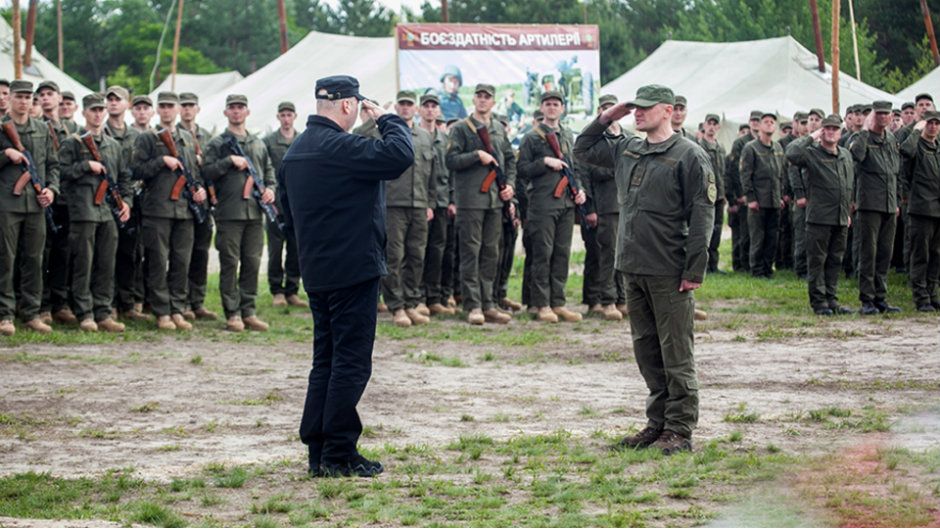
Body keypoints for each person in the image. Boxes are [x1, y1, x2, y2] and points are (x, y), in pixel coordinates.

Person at [280, 75, 413, 478]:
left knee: (326, 361)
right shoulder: (340, 146)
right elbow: (398, 156)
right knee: (351, 363)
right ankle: (338, 451)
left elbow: (287, 221)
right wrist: (388, 118)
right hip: (353, 269)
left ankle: (319, 450)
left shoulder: (296, 151)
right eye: (357, 105)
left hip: (318, 270)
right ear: (346, 106)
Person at [574, 84, 715, 455]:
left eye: (646, 108)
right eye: (635, 108)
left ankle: (680, 429)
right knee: (647, 350)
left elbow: (703, 215)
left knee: (676, 352)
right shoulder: (629, 148)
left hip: (668, 267)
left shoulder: (688, 155)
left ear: (668, 111)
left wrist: (694, 268)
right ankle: (658, 423)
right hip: (633, 265)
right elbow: (582, 149)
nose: (637, 113)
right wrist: (607, 117)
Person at [355, 91, 439, 327]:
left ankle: (412, 302)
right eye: (401, 104)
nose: (405, 108)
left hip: (419, 204)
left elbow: (431, 173)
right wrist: (377, 117)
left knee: (416, 256)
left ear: (416, 109)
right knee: (393, 256)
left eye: (409, 104)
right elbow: (361, 136)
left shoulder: (424, 136)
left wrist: (430, 203)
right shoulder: (383, 131)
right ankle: (397, 306)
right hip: (392, 204)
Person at [132, 91, 207, 331]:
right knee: (157, 261)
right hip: (158, 209)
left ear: (176, 110)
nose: (166, 110)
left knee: (181, 261)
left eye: (170, 106)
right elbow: (136, 170)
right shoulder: (147, 139)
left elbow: (193, 172)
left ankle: (177, 308)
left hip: (184, 210)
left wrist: (199, 191)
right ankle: (161, 311)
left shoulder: (186, 137)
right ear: (157, 110)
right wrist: (161, 161)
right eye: (162, 106)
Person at [58, 93, 132, 332]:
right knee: (83, 263)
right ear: (84, 113)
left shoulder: (113, 145)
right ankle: (84, 313)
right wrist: (85, 166)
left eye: (101, 110)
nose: (98, 114)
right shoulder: (73, 142)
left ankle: (103, 311)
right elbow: (61, 173)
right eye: (93, 110)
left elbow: (124, 178)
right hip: (83, 211)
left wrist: (126, 202)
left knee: (106, 264)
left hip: (108, 213)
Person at [203, 94, 276, 332]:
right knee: (229, 263)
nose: (236, 112)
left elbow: (268, 173)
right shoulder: (218, 144)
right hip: (228, 213)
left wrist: (270, 191)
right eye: (232, 108)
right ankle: (232, 313)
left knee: (252, 263)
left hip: (254, 214)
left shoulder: (257, 144)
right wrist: (227, 162)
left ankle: (249, 311)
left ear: (247, 112)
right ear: (226, 113)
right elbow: (206, 173)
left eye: (240, 108)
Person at [445, 84, 516, 325]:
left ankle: (489, 304)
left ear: (493, 102)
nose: (483, 101)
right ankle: (473, 305)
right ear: (474, 100)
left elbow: (508, 159)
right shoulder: (461, 129)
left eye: (487, 97)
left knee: (491, 252)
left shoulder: (497, 127)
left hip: (494, 200)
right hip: (470, 200)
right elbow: (451, 160)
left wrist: (511, 186)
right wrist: (476, 155)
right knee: (470, 252)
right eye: (479, 97)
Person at [516, 90, 586, 323]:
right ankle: (541, 304)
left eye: (556, 104)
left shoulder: (567, 134)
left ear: (562, 108)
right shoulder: (532, 137)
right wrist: (544, 162)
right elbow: (522, 169)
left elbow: (574, 166)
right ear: (542, 108)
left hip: (565, 203)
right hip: (542, 203)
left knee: (561, 254)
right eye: (548, 104)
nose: (552, 107)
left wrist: (580, 190)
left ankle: (558, 302)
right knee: (542, 254)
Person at [0, 80, 60, 336]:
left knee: (34, 260)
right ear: (10, 98)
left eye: (27, 97)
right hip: (7, 203)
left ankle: (31, 313)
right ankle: (5, 314)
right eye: (19, 97)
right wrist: (6, 155)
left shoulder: (42, 129)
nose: (23, 101)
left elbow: (54, 165)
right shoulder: (2, 128)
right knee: (6, 259)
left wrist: (51, 189)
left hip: (36, 204)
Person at [786, 115, 855, 315]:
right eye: (828, 128)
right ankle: (819, 302)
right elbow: (791, 153)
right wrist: (813, 135)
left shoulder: (845, 155)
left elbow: (849, 184)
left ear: (840, 132)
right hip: (819, 217)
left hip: (840, 217)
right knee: (817, 261)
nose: (831, 132)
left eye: (835, 128)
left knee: (835, 260)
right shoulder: (811, 153)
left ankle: (832, 299)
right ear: (823, 131)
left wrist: (847, 211)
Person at [849, 101, 902, 315]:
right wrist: (864, 130)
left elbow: (895, 172)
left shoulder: (891, 139)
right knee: (868, 253)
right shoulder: (861, 138)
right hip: (869, 204)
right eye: (878, 114)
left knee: (884, 254)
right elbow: (857, 155)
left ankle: (881, 297)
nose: (882, 118)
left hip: (889, 205)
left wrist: (896, 200)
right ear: (872, 116)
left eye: (886, 114)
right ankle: (867, 299)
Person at [581, 94, 626, 320]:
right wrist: (590, 208)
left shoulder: (627, 138)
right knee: (606, 255)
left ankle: (622, 298)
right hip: (605, 205)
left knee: (624, 254)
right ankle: (607, 300)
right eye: (605, 109)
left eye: (613, 108)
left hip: (625, 206)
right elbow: (591, 172)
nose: (610, 113)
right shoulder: (595, 141)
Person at [105, 85, 148, 322]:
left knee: (130, 254)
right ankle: (109, 304)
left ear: (126, 105)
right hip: (104, 202)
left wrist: (129, 200)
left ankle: (128, 303)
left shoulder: (138, 137)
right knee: (106, 255)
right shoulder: (99, 134)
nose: (113, 103)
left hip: (131, 202)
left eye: (118, 100)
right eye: (109, 99)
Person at [37, 80, 75, 326]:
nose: (46, 98)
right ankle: (42, 305)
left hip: (66, 200)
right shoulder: (35, 128)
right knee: (41, 253)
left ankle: (61, 303)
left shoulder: (72, 131)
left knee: (64, 253)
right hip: (42, 198)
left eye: (50, 94)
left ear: (59, 98)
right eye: (41, 95)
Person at [419, 94, 457, 316]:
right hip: (419, 203)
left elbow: (451, 174)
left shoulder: (445, 141)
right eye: (426, 106)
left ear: (438, 111)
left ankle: (435, 297)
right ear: (420, 110)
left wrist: (452, 200)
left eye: (434, 106)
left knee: (438, 251)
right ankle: (419, 297)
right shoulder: (413, 136)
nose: (430, 110)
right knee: (417, 251)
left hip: (442, 203)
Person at [264, 101, 304, 309]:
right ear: (278, 117)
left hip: (297, 204)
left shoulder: (302, 140)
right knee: (275, 249)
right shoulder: (269, 142)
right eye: (283, 115)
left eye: (289, 115)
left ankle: (292, 289)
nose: (286, 118)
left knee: (296, 248)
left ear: (295, 116)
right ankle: (276, 290)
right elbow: (264, 170)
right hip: (276, 203)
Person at [900, 111, 940, 312]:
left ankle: (932, 293)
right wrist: (916, 131)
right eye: (929, 123)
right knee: (920, 255)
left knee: (936, 255)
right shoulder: (916, 146)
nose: (932, 127)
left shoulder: (938, 148)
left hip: (937, 210)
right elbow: (905, 151)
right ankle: (921, 296)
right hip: (921, 209)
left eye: (936, 123)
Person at [740, 112, 785, 278]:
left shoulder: (778, 148)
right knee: (758, 238)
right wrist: (750, 198)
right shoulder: (751, 148)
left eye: (772, 122)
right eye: (765, 122)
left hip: (774, 201)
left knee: (772, 238)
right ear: (759, 126)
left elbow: (781, 175)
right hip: (758, 201)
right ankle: (757, 270)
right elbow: (745, 175)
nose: (769, 124)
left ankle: (768, 269)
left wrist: (780, 196)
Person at [726, 111, 760, 272]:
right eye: (753, 120)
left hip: (758, 196)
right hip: (743, 196)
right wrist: (737, 196)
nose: (755, 123)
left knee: (754, 234)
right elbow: (735, 170)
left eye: (757, 120)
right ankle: (740, 265)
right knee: (742, 234)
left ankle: (749, 264)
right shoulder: (741, 143)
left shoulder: (762, 142)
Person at [698, 114, 726, 276]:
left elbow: (724, 173)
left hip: (719, 195)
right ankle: (703, 266)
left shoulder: (720, 148)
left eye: (715, 124)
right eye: (709, 123)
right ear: (704, 125)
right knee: (704, 231)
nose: (712, 127)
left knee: (717, 230)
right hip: (704, 195)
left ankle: (714, 265)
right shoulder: (698, 146)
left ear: (718, 127)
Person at [789, 111, 811, 279]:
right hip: (803, 199)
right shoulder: (797, 146)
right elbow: (793, 172)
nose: (806, 126)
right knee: (802, 237)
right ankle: (801, 270)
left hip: (817, 199)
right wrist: (799, 194)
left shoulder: (819, 144)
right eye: (804, 122)